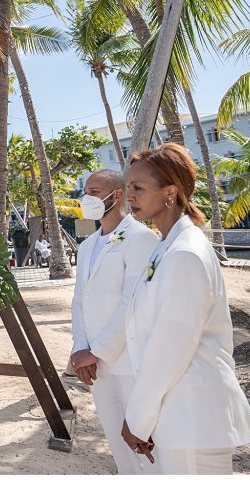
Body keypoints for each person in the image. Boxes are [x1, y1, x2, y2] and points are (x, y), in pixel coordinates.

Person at [82, 144, 250, 474]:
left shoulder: (185, 254)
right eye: (129, 187)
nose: (130, 195)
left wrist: (136, 419)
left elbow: (170, 349)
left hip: (193, 416)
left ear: (171, 192)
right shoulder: (166, 245)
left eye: (138, 188)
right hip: (176, 414)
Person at [68, 169, 159, 474]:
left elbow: (131, 302)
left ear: (116, 195)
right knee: (115, 439)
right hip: (95, 364)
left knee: (143, 438)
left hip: (129, 360)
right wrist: (81, 350)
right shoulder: (87, 246)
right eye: (86, 191)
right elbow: (80, 300)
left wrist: (99, 350)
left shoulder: (141, 238)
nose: (87, 197)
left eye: (94, 192)